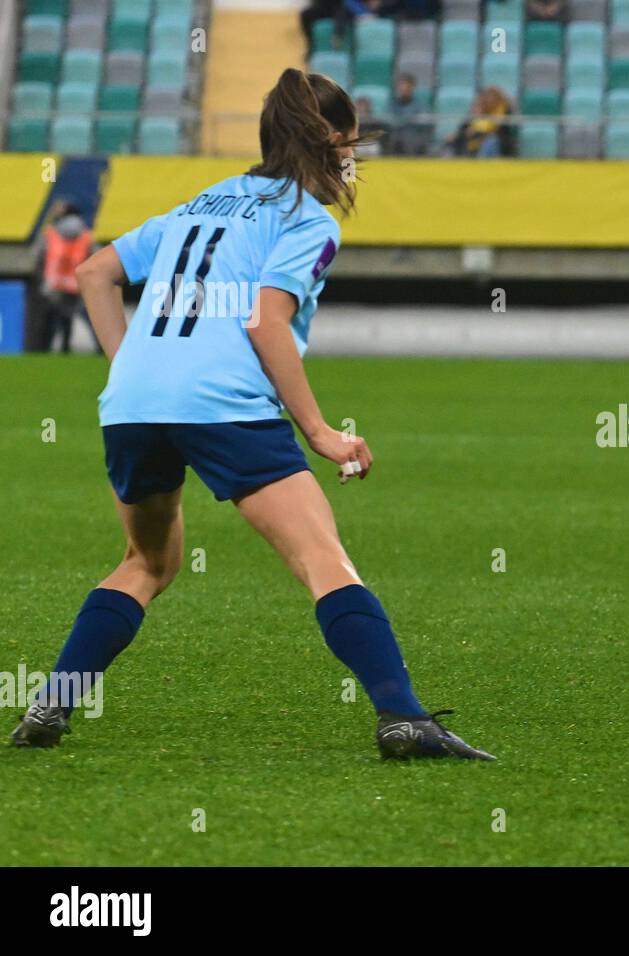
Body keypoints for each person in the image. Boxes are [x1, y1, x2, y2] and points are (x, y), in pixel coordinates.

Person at [10, 69, 494, 761]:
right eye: (351, 141)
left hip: (133, 402)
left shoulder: (204, 201)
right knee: (324, 559)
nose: (355, 155)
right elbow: (266, 321)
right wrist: (321, 432)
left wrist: (131, 368)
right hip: (223, 400)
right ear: (330, 139)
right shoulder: (307, 218)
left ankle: (52, 703)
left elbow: (94, 272)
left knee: (146, 562)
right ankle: (404, 718)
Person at [36, 200, 95, 354]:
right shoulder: (85, 234)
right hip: (77, 283)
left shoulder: (51, 233)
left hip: (54, 283)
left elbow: (40, 256)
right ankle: (69, 348)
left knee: (51, 319)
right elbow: (96, 257)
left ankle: (44, 349)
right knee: (82, 317)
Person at [441, 86, 517, 157]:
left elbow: (495, 128)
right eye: (488, 97)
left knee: (491, 141)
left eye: (492, 97)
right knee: (453, 140)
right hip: (474, 138)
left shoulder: (503, 110)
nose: (489, 100)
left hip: (500, 142)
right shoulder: (480, 110)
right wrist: (459, 134)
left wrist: (476, 130)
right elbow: (465, 126)